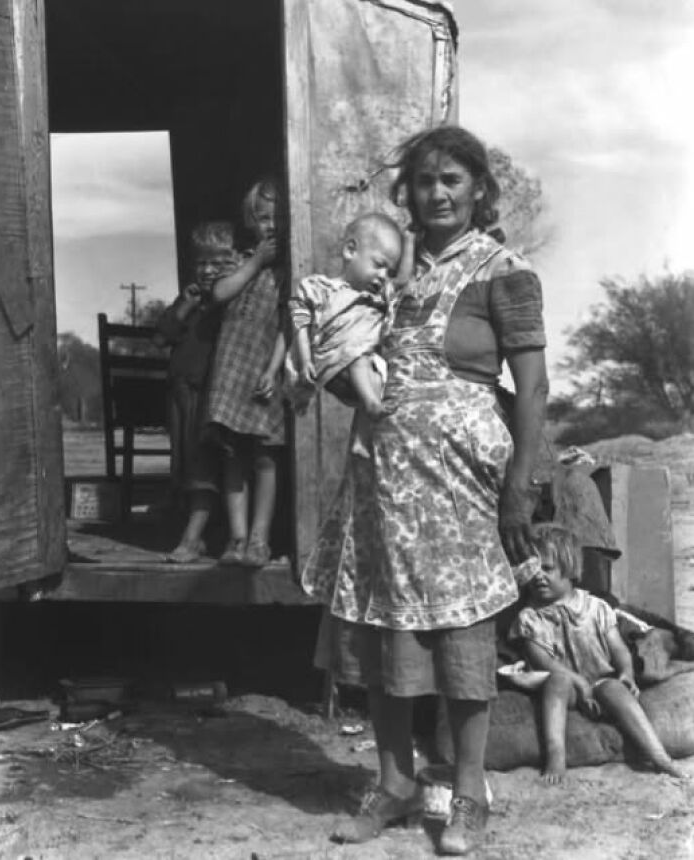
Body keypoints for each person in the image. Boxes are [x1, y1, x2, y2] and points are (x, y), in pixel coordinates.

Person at [301, 125, 548, 856]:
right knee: (385, 629)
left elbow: (534, 389)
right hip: (383, 479)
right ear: (405, 191)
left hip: (459, 484)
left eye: (452, 180)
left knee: (461, 637)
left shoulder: (506, 272)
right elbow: (353, 358)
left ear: (479, 189)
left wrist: (518, 486)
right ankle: (394, 782)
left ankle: (469, 794)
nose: (437, 193)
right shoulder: (386, 274)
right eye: (424, 181)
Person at [510, 522, 688, 784]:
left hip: (600, 679)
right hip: (567, 685)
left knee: (614, 688)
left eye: (546, 568)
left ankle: (659, 756)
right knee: (557, 682)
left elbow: (618, 648)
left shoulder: (596, 608)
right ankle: (556, 754)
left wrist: (626, 672)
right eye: (532, 570)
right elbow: (544, 661)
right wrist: (579, 683)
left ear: (570, 570)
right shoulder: (530, 618)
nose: (538, 576)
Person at [203, 178, 287, 567]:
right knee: (233, 454)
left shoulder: (289, 270)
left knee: (266, 455)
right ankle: (237, 538)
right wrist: (255, 263)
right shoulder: (239, 260)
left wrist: (273, 369)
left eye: (278, 218)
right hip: (232, 370)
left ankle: (259, 539)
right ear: (252, 221)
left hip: (265, 371)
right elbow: (219, 293)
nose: (271, 226)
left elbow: (290, 324)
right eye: (264, 218)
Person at [154, 221, 239, 561]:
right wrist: (184, 307)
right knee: (185, 463)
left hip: (210, 396)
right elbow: (160, 337)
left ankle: (192, 538)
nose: (207, 270)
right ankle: (197, 531)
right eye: (202, 262)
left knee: (203, 465)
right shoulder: (190, 299)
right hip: (181, 395)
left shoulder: (231, 302)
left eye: (217, 263)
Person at [286, 212, 408, 419]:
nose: (383, 276)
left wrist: (410, 240)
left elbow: (403, 282)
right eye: (379, 265)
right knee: (358, 357)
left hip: (362, 373)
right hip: (334, 363)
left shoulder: (379, 296)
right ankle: (371, 404)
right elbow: (300, 322)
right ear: (350, 250)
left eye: (389, 272)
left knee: (378, 375)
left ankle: (368, 420)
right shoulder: (320, 288)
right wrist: (305, 360)